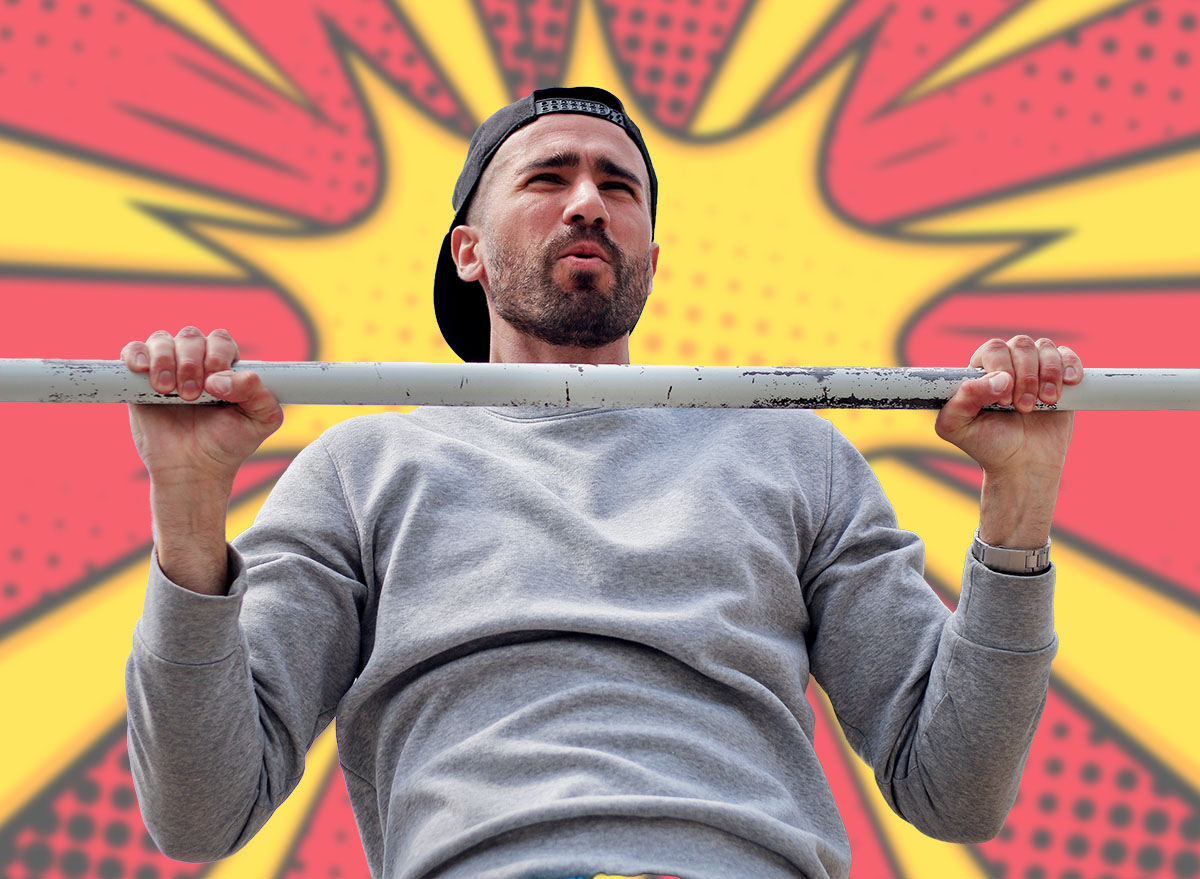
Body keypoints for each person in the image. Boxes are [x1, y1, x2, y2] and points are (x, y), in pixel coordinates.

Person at [122, 88, 1081, 879]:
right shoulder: (360, 470)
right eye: (548, 177)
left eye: (618, 186)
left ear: (652, 262)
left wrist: (1020, 506)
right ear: (468, 251)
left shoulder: (795, 454)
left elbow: (955, 789)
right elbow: (202, 816)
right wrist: (189, 509)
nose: (588, 202)